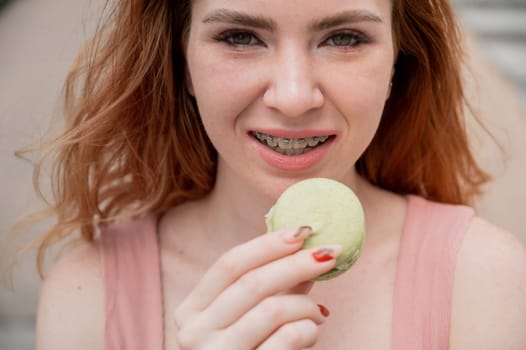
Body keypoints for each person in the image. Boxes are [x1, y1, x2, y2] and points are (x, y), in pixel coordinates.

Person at [32, 0, 526, 349]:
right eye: (240, 37)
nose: (292, 98)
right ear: (181, 60)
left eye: (344, 37)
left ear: (399, 59)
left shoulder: (484, 280)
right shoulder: (88, 297)